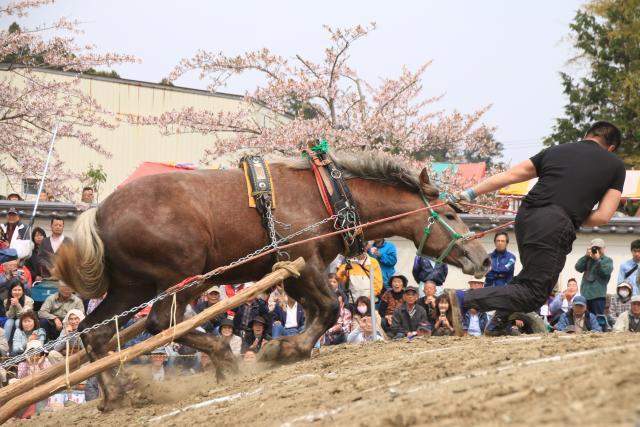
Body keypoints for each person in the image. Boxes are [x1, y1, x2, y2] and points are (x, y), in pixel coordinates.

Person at [452, 121, 625, 336]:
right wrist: (571, 214)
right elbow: (603, 216)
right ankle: (464, 299)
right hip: (555, 223)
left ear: (587, 135)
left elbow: (511, 175)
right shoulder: (615, 165)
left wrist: (470, 193)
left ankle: (498, 322)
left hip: (526, 216)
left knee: (529, 279)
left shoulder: (555, 150)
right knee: (534, 293)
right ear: (611, 148)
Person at [575, 238, 613, 317]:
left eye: (599, 248)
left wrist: (598, 260)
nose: (597, 250)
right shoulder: (588, 259)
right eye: (594, 248)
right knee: (585, 318)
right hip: (585, 294)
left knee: (598, 318)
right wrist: (585, 256)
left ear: (603, 248)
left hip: (598, 295)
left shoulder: (607, 260)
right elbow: (578, 267)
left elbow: (605, 272)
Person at [16, 340, 51, 418]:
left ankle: (39, 411)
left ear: (41, 353)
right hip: (27, 390)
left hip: (41, 389)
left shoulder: (46, 362)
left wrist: (39, 364)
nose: (34, 354)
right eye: (31, 352)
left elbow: (46, 377)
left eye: (37, 352)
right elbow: (21, 377)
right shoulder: (22, 364)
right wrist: (30, 364)